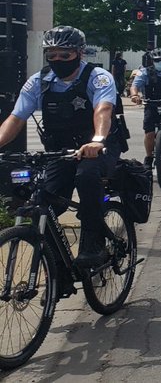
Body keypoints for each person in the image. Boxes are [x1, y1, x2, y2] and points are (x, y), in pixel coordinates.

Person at [0, 26, 122, 268]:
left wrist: (97, 140)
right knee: (45, 199)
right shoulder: (39, 81)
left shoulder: (98, 77)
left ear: (79, 53)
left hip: (98, 147)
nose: (57, 60)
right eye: (52, 55)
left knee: (87, 176)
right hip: (60, 151)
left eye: (64, 55)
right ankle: (58, 271)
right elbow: (15, 118)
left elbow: (103, 110)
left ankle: (93, 243)